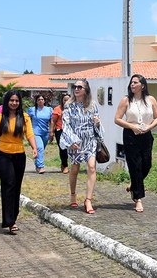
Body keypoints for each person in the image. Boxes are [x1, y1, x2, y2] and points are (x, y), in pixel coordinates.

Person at [0, 90, 38, 234]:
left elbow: (30, 134)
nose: (14, 103)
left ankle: (13, 216)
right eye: (11, 100)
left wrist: (34, 148)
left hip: (19, 156)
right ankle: (10, 221)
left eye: (17, 101)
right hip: (3, 156)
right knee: (9, 184)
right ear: (6, 101)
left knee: (16, 186)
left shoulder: (25, 117)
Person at [114, 74, 157, 213]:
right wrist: (132, 126)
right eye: (131, 83)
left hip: (146, 135)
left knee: (147, 164)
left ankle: (134, 185)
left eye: (135, 82)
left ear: (143, 85)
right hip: (130, 136)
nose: (132, 85)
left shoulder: (150, 99)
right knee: (135, 166)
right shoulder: (126, 100)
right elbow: (117, 119)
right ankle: (138, 199)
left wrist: (149, 127)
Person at [60, 79, 102, 214]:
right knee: (75, 169)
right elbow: (66, 125)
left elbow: (97, 124)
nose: (76, 89)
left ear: (86, 90)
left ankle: (88, 200)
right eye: (75, 87)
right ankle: (73, 194)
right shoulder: (68, 105)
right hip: (75, 142)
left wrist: (97, 123)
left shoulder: (92, 105)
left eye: (80, 87)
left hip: (90, 140)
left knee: (91, 167)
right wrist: (72, 141)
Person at [27, 94, 53, 174]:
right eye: (39, 100)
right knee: (40, 148)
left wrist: (51, 132)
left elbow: (51, 121)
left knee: (41, 150)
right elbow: (26, 120)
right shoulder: (32, 109)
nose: (40, 101)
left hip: (45, 133)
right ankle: (41, 166)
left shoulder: (49, 109)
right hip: (35, 133)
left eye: (42, 99)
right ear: (36, 101)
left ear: (44, 101)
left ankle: (37, 164)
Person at [49, 94, 71, 174]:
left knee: (71, 149)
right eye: (65, 100)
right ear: (62, 100)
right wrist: (51, 132)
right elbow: (53, 121)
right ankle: (65, 165)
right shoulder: (57, 109)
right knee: (63, 148)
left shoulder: (73, 109)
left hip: (70, 131)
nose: (66, 101)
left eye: (68, 100)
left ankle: (65, 163)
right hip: (60, 130)